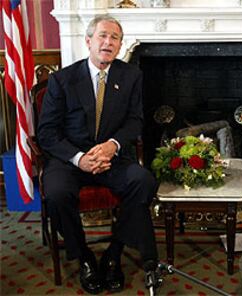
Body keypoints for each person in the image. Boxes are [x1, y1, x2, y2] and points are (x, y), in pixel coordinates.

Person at [37, 15, 159, 294]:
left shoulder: (130, 76)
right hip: (70, 161)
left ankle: (113, 253)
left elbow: (135, 121)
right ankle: (84, 257)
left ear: (119, 45)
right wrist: (80, 158)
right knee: (56, 192)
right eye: (103, 35)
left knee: (144, 181)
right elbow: (47, 133)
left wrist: (112, 145)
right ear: (88, 41)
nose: (108, 42)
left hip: (111, 158)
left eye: (114, 38)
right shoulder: (62, 80)